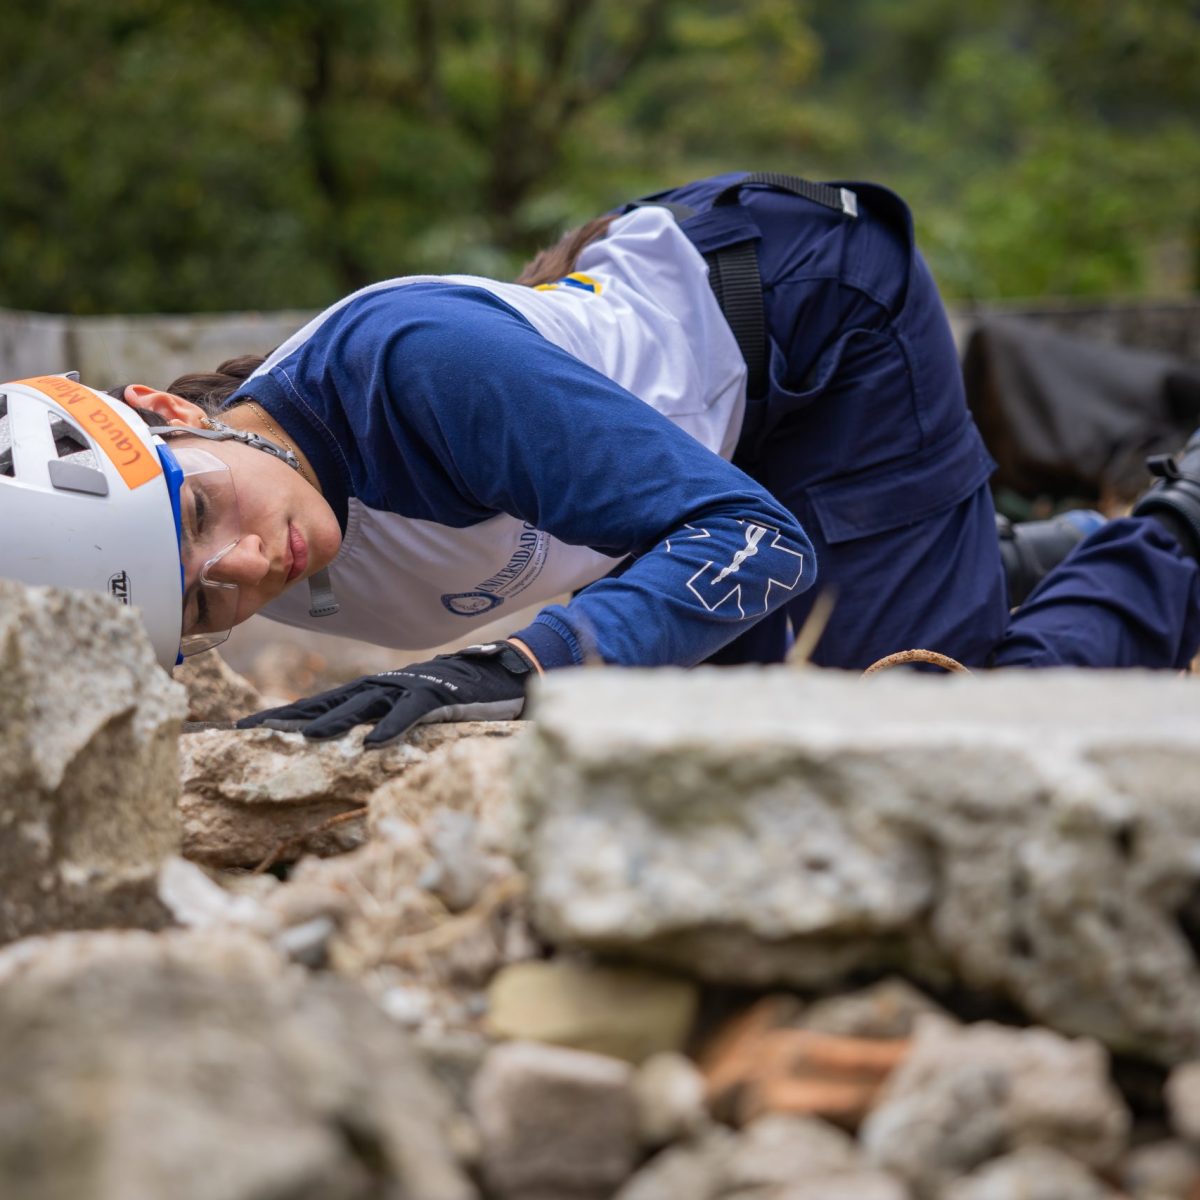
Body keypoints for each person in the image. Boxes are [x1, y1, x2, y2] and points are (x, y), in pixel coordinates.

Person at [4, 172, 1199, 746]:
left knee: (920, 727)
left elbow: (751, 544)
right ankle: (1004, 558)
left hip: (817, 330)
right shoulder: (277, 533)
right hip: (702, 451)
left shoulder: (414, 370)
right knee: (745, 760)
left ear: (166, 408)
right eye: (207, 596)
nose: (253, 561)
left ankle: (1177, 533)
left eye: (201, 509)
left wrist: (515, 667)